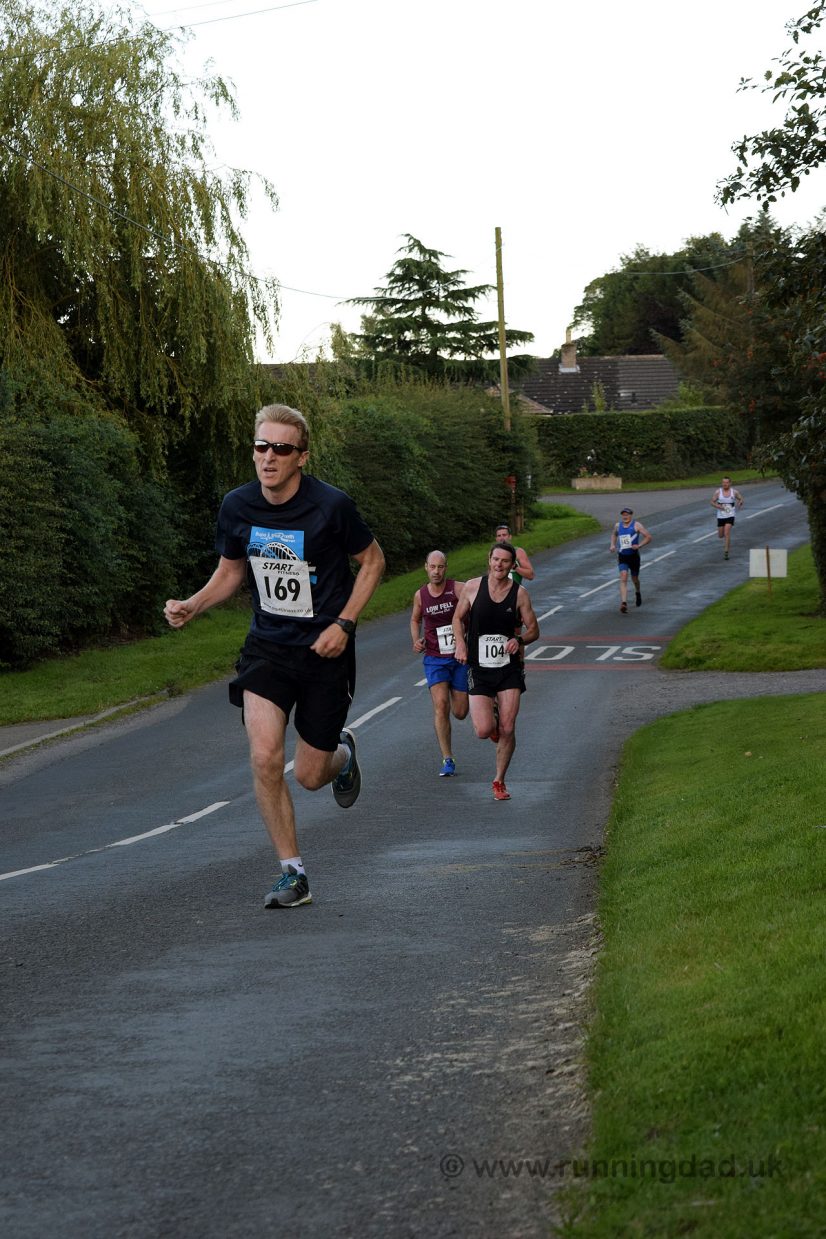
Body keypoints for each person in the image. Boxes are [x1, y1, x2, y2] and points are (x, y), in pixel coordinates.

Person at [164, 404, 385, 910]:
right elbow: (231, 572)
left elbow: (373, 561)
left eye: (282, 449)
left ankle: (342, 754)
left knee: (308, 776)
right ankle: (293, 874)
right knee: (265, 757)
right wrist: (193, 605)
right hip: (267, 649)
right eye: (261, 446)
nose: (269, 457)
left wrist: (344, 624)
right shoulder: (237, 506)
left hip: (324, 653)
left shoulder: (331, 506)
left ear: (301, 457)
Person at [452, 541, 539, 802]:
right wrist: (460, 643)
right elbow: (457, 619)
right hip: (479, 668)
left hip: (508, 668)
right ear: (489, 560)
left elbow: (534, 629)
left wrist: (520, 640)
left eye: (504, 561)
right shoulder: (472, 587)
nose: (499, 565)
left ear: (512, 565)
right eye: (495, 559)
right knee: (483, 730)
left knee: (508, 727)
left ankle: (499, 780)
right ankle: (491, 712)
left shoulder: (520, 594)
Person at [410, 550, 468, 777]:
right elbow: (415, 619)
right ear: (426, 567)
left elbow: (476, 598)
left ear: (446, 568)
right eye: (432, 567)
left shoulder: (457, 589)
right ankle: (447, 758)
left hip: (460, 656)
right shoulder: (420, 595)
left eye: (440, 567)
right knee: (441, 705)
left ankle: (486, 705)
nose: (436, 571)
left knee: (461, 712)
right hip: (435, 658)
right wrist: (416, 640)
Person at [609, 507, 652, 613]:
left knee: (635, 579)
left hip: (634, 556)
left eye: (627, 515)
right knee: (623, 577)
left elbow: (648, 537)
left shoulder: (637, 525)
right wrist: (612, 545)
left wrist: (639, 545)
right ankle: (624, 603)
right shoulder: (618, 526)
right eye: (623, 515)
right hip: (623, 556)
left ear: (631, 515)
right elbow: (614, 535)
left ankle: (637, 592)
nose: (625, 516)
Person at [711, 476, 744, 559]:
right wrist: (718, 506)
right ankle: (726, 546)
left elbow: (741, 498)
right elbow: (712, 502)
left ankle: (726, 551)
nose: (725, 484)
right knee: (720, 535)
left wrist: (740, 502)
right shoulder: (718, 492)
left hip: (730, 515)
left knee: (727, 533)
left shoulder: (734, 492)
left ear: (730, 483)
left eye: (726, 482)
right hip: (720, 515)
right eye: (723, 482)